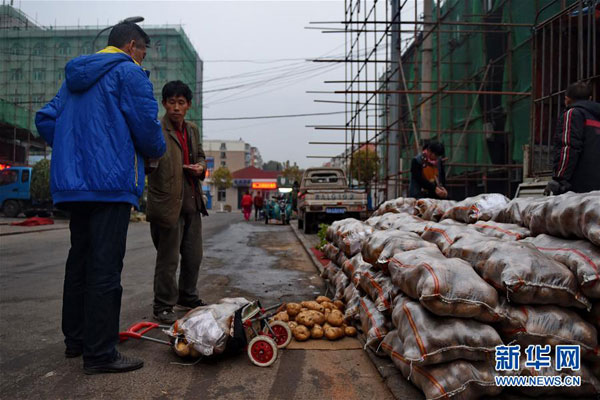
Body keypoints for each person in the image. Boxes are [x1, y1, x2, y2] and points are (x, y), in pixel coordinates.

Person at [35, 22, 166, 374]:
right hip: (111, 185)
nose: (142, 59)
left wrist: (73, 148)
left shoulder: (74, 78)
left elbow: (45, 119)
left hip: (77, 187)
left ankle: (75, 342)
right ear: (132, 45)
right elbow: (148, 130)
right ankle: (100, 353)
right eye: (143, 52)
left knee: (80, 261)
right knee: (105, 267)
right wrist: (154, 154)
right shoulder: (128, 73)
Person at [146, 81, 209, 324]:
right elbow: (148, 160)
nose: (176, 107)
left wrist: (200, 167)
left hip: (192, 202)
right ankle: (162, 305)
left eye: (181, 103)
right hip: (167, 203)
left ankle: (188, 296)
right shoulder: (156, 129)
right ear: (164, 104)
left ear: (188, 106)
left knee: (194, 256)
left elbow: (201, 155)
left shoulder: (192, 129)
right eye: (171, 102)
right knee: (168, 259)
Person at [545, 81, 600, 195]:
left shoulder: (573, 114)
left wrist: (559, 178)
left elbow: (568, 147)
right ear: (590, 98)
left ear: (567, 99)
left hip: (579, 186)